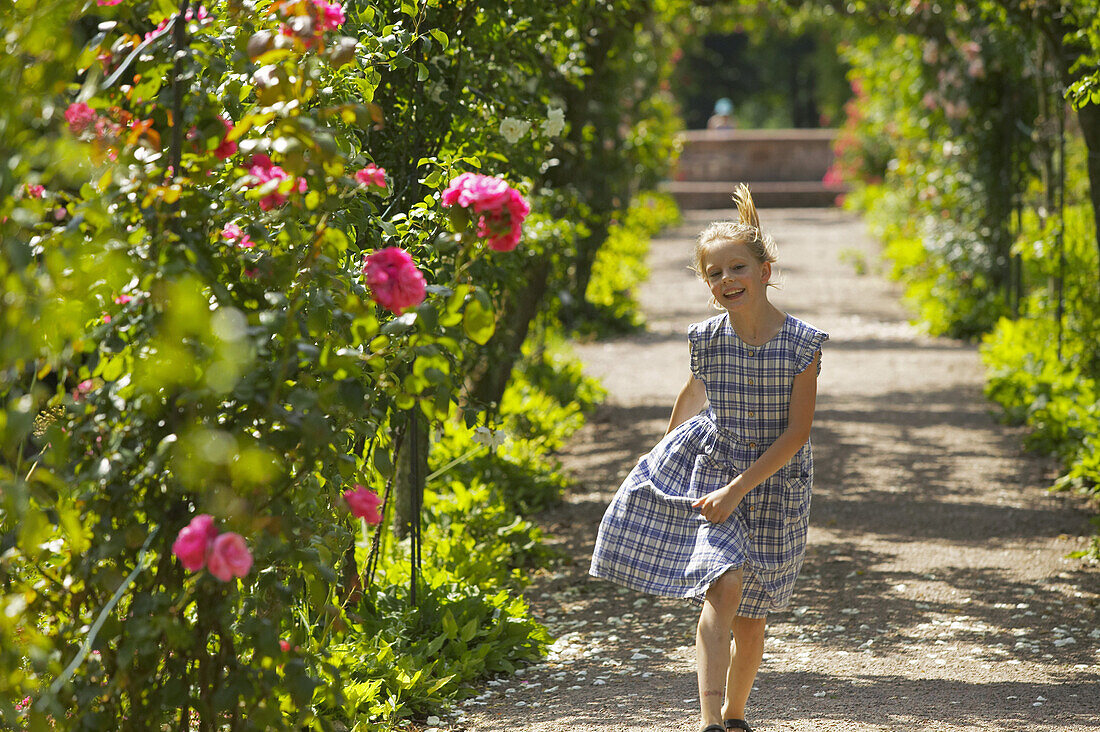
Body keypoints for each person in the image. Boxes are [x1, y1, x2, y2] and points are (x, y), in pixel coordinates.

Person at [589, 183, 828, 732]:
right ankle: (708, 721)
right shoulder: (705, 338)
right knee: (723, 587)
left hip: (775, 483)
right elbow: (695, 393)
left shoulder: (801, 345)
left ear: (765, 270)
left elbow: (797, 434)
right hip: (715, 469)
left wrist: (738, 490)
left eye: (737, 268)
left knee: (753, 618)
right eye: (714, 274)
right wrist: (663, 463)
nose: (727, 280)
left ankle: (735, 713)